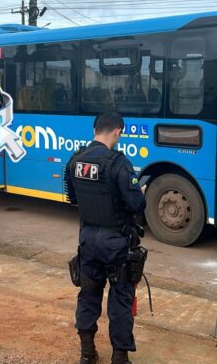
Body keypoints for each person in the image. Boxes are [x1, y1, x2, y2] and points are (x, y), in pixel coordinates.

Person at [64, 112, 147, 364]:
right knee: (121, 299)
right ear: (118, 132)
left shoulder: (76, 160)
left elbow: (73, 198)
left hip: (88, 240)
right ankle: (119, 358)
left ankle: (87, 353)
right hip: (116, 243)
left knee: (88, 295)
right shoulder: (119, 163)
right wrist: (140, 192)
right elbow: (135, 204)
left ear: (95, 130)